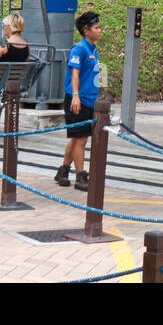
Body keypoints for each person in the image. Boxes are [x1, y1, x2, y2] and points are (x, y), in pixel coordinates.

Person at [55, 10, 101, 191]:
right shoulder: (79, 49)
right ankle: (81, 176)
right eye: (96, 28)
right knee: (80, 139)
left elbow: (97, 72)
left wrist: (101, 92)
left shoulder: (93, 50)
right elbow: (75, 72)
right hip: (77, 100)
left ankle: (63, 171)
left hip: (89, 100)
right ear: (86, 31)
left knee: (77, 138)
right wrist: (75, 96)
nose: (100, 31)